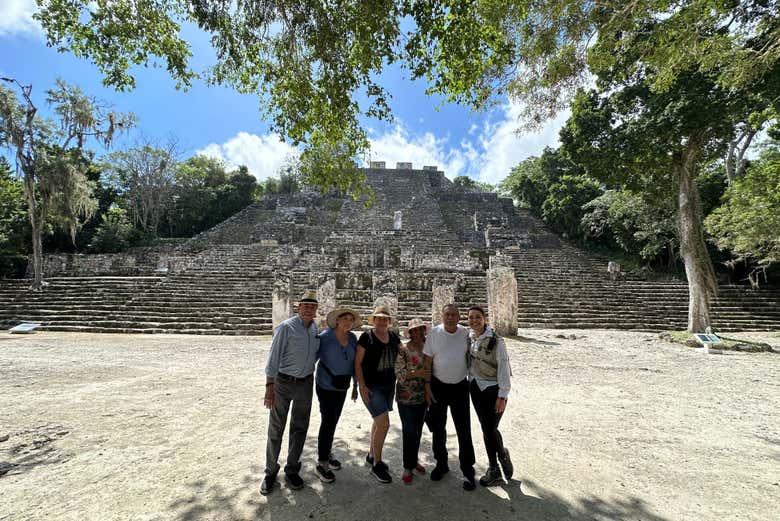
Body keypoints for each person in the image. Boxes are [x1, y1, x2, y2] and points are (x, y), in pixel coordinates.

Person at [261, 291, 320, 496]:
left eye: (313, 306)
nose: (309, 309)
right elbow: (273, 358)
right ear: (298, 307)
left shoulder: (314, 328)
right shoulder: (286, 327)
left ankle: (292, 468)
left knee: (300, 426)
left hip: (305, 382)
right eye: (306, 306)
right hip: (283, 382)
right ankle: (270, 472)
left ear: (316, 310)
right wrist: (270, 386)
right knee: (276, 427)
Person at [423, 304, 477, 491]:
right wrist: (427, 386)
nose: (451, 317)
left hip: (460, 386)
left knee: (464, 429)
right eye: (447, 314)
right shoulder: (434, 334)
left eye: (454, 314)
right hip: (438, 386)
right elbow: (427, 361)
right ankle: (441, 463)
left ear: (459, 317)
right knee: (439, 428)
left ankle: (468, 469)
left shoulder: (465, 333)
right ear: (442, 316)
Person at [466, 306, 514, 486]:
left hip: (493, 390)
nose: (474, 320)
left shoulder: (497, 340)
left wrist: (503, 395)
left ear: (484, 319)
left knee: (490, 429)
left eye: (478, 317)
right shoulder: (470, 337)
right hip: (476, 387)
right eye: (470, 317)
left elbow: (503, 367)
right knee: (487, 428)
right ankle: (495, 466)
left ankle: (500, 456)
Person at [355, 304, 401, 484]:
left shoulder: (393, 336)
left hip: (389, 386)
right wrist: (362, 386)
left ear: (389, 321)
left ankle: (371, 455)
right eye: (378, 318)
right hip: (372, 387)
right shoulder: (366, 337)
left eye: (385, 319)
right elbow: (357, 363)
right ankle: (377, 464)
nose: (382, 321)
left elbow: (402, 351)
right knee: (383, 424)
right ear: (374, 320)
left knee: (377, 420)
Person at [314, 307, 361, 483]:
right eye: (345, 318)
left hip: (342, 387)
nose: (348, 322)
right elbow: (313, 357)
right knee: (327, 420)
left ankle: (326, 452)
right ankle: (322, 462)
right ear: (338, 320)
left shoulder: (352, 339)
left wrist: (356, 385)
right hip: (325, 385)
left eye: (351, 319)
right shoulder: (325, 337)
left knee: (333, 420)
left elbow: (355, 363)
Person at [395, 318, 432, 485]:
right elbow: (400, 374)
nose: (417, 333)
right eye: (414, 330)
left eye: (420, 330)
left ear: (424, 330)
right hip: (406, 396)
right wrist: (418, 374)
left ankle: (413, 460)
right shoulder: (403, 349)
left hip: (423, 396)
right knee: (409, 431)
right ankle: (407, 467)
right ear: (410, 333)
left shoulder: (428, 347)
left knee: (417, 431)